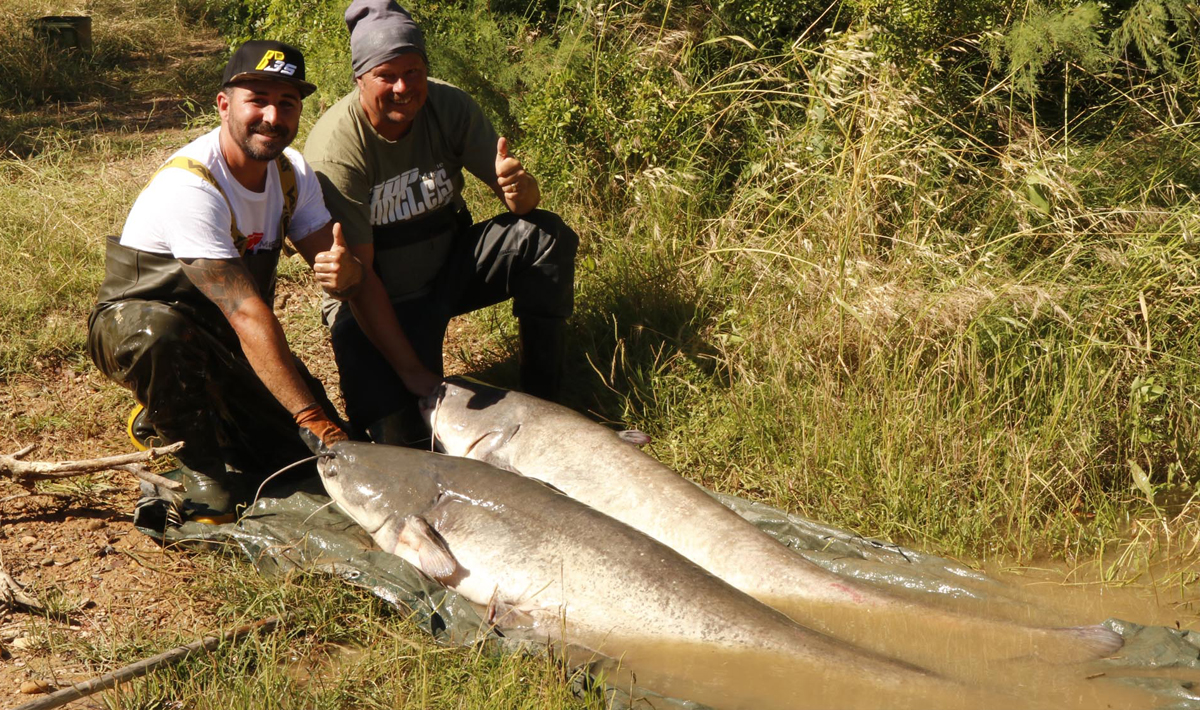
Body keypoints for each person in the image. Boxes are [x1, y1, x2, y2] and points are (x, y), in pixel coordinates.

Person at [88, 40, 360, 526]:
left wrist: (348, 271)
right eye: (257, 99)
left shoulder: (292, 172)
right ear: (224, 104)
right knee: (162, 336)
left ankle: (170, 414)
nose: (272, 116)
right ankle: (197, 463)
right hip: (138, 325)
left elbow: (336, 262)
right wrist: (310, 417)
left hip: (227, 334)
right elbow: (246, 312)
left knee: (296, 456)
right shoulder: (191, 185)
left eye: (287, 103)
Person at [304, 0, 578, 447]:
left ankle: (545, 400)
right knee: (406, 444)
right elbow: (360, 279)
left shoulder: (449, 105)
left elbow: (524, 205)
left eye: (413, 71)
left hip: (449, 268)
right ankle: (400, 389)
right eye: (385, 75)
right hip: (377, 297)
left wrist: (521, 190)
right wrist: (415, 374)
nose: (402, 87)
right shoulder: (337, 150)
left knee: (544, 236)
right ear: (359, 79)